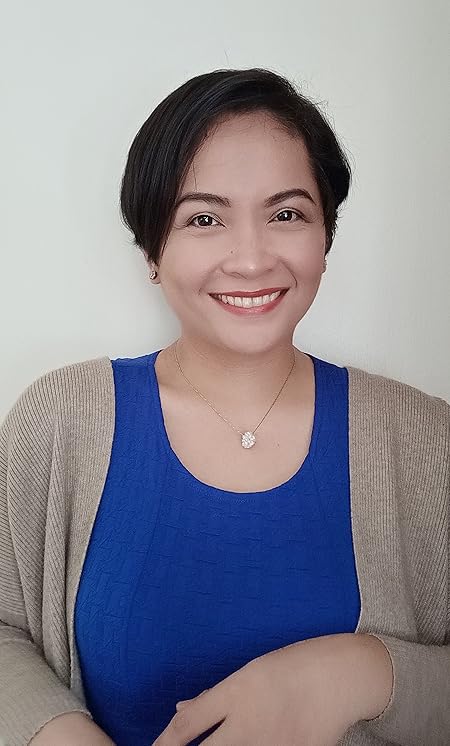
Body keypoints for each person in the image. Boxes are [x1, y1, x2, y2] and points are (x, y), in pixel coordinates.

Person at [0, 68, 448, 746]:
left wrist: (363, 674)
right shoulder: (60, 419)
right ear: (152, 250)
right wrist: (59, 734)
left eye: (287, 214)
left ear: (325, 237)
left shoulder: (428, 441)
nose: (251, 259)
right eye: (204, 219)